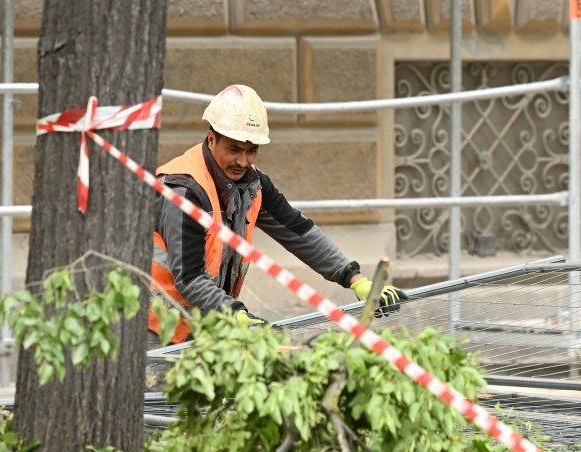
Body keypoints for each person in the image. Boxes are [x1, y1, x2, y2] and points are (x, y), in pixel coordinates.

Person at [147, 84, 406, 348]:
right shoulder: (184, 191)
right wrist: (235, 313)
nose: (243, 161)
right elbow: (190, 278)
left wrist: (354, 278)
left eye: (251, 150)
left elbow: (298, 231)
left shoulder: (253, 184)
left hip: (207, 325)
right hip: (157, 329)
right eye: (234, 149)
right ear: (211, 139)